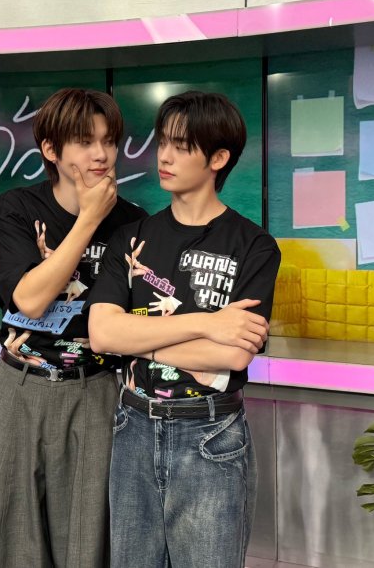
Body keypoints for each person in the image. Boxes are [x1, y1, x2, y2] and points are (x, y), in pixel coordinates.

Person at [0, 88, 147, 568]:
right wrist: (88, 219)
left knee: (88, 530)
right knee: (6, 523)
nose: (101, 154)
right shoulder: (17, 208)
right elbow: (30, 299)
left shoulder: (134, 223)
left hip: (97, 389)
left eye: (109, 141)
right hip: (21, 386)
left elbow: (129, 321)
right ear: (51, 150)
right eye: (85, 141)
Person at [88, 91, 281, 568]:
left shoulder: (254, 246)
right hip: (133, 426)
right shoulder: (131, 237)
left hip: (211, 434)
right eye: (162, 143)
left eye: (181, 146)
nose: (165, 157)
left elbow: (232, 356)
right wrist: (207, 325)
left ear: (218, 158)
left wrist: (139, 343)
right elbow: (102, 335)